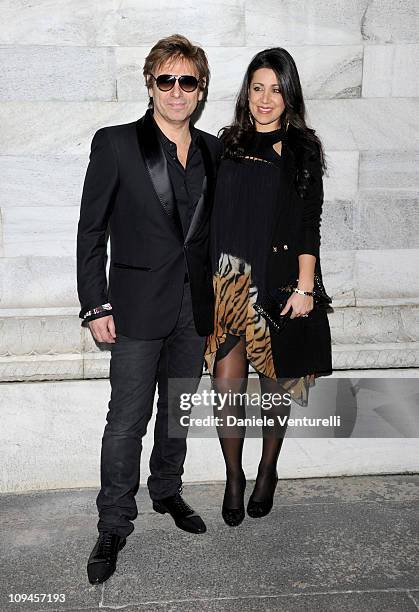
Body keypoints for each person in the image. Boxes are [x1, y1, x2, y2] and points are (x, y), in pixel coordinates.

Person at [77, 34, 222, 584]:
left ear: (200, 89)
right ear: (150, 83)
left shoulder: (212, 150)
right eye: (168, 80)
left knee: (178, 414)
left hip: (193, 310)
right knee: (125, 422)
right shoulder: (116, 144)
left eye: (188, 81)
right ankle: (113, 522)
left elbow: (214, 234)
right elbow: (90, 231)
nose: (178, 91)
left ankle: (166, 491)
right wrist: (95, 305)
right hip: (134, 309)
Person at [204, 48, 332, 526]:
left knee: (274, 383)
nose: (265, 98)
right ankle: (234, 476)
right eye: (257, 87)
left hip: (277, 284)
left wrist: (305, 289)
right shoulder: (227, 144)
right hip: (227, 282)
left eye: (276, 89)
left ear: (289, 94)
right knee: (227, 384)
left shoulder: (302, 148)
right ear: (246, 92)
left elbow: (308, 224)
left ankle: (267, 470)